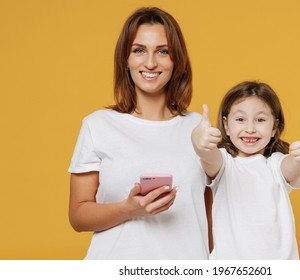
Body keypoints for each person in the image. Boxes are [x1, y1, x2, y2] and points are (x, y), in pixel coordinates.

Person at [68, 7, 210, 259]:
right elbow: (78, 216)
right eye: (139, 50)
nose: (150, 63)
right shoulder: (98, 125)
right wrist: (128, 209)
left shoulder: (199, 128)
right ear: (125, 59)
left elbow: (211, 217)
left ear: (176, 60)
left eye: (163, 51)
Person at [191, 81, 300, 259]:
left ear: (274, 127)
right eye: (240, 119)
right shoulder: (224, 164)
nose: (250, 129)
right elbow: (209, 156)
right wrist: (199, 142)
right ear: (226, 126)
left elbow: (294, 165)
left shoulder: (276, 165)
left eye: (260, 120)